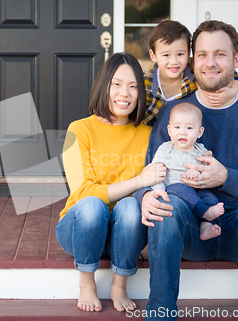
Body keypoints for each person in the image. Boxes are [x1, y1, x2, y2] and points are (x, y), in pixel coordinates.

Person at [133, 20, 238, 320]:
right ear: (193, 61)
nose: (210, 63)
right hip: (190, 232)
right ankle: (160, 314)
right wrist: (145, 195)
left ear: (235, 60)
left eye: (220, 54)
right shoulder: (174, 113)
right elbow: (152, 170)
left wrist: (228, 178)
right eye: (203, 54)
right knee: (164, 204)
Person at [56, 53, 166, 313]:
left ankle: (119, 285)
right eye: (116, 84)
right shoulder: (80, 129)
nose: (124, 93)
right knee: (93, 205)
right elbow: (82, 192)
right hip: (80, 229)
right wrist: (139, 180)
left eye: (133, 86)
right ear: (103, 86)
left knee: (130, 207)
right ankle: (86, 285)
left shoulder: (149, 135)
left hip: (124, 233)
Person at [143, 20, 238, 127]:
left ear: (189, 53)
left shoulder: (193, 69)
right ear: (153, 55)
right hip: (154, 133)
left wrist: (233, 90)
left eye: (180, 54)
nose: (174, 62)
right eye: (166, 55)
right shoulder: (145, 82)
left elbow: (231, 74)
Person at [150, 102, 224, 241]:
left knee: (211, 198)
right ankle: (206, 213)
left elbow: (209, 172)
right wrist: (158, 190)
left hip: (197, 190)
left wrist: (199, 174)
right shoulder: (165, 149)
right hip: (174, 190)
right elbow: (155, 172)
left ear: (199, 132)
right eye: (177, 127)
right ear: (169, 130)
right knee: (181, 188)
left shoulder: (201, 150)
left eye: (189, 128)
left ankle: (206, 227)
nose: (182, 132)